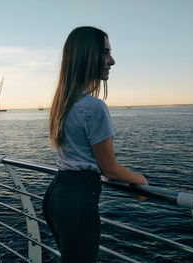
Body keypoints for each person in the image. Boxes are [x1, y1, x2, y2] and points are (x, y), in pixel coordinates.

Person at [43, 26, 148, 263]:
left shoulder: (64, 103)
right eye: (105, 52)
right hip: (78, 198)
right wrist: (141, 180)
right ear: (85, 56)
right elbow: (110, 170)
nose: (112, 60)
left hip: (56, 195)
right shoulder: (93, 107)